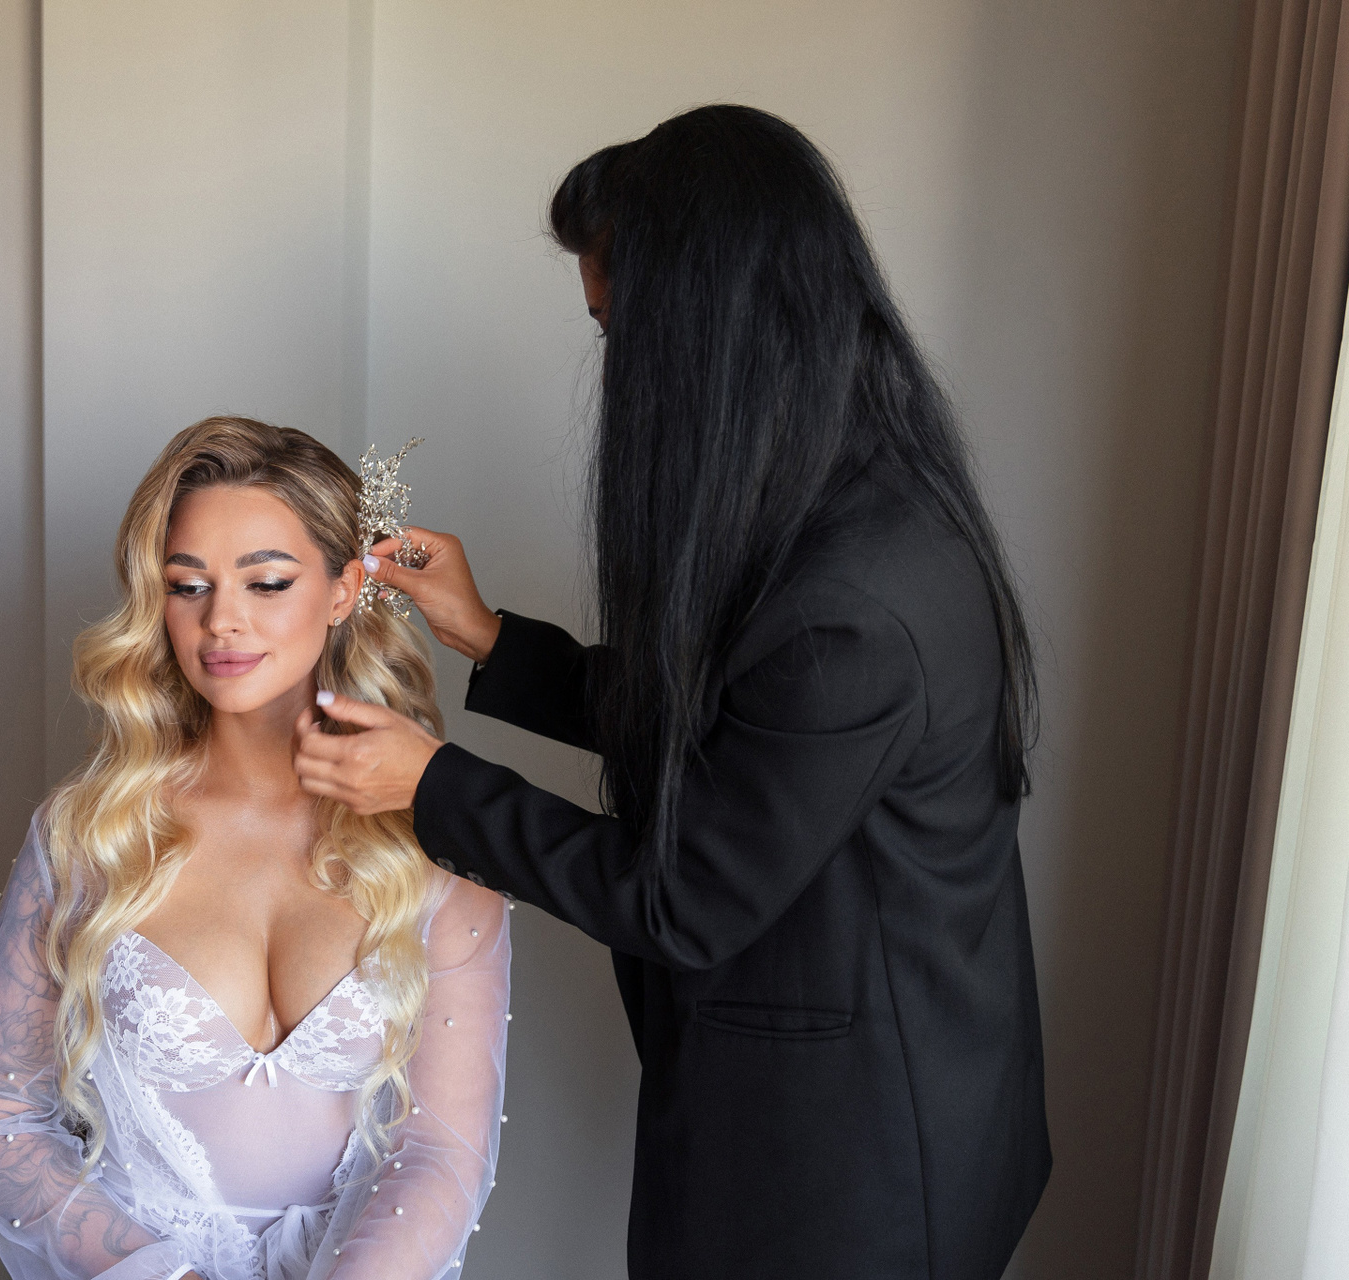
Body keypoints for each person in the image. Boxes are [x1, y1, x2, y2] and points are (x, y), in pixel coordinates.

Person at [293, 106, 1051, 1279]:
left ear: (706, 330)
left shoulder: (857, 601)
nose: (621, 371)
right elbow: (752, 733)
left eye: (621, 332)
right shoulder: (844, 495)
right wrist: (491, 637)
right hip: (860, 1088)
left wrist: (429, 781)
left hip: (855, 1170)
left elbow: (682, 897)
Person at [0, 418, 510, 1280]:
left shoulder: (437, 843)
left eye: (267, 582)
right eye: (187, 586)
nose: (221, 622)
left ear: (342, 591)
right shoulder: (92, 833)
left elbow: (440, 1153)